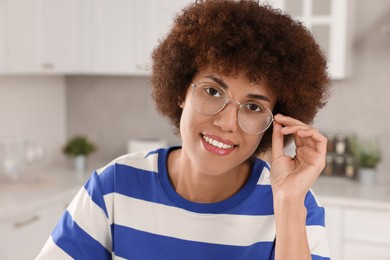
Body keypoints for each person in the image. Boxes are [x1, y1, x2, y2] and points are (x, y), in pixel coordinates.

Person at [37, 0, 331, 259]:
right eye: (213, 91)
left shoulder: (294, 202)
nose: (226, 122)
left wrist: (288, 204)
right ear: (181, 92)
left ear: (276, 122)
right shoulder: (114, 187)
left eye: (253, 107)